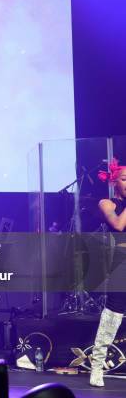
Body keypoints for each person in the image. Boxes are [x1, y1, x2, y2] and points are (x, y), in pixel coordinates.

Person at [90, 158, 126, 387]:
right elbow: (119, 226)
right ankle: (97, 365)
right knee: (113, 313)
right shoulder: (107, 203)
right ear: (114, 183)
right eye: (124, 179)